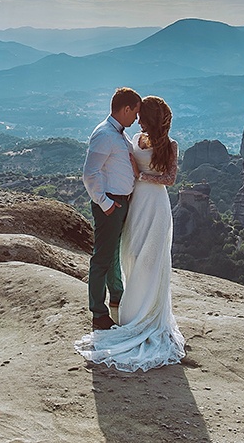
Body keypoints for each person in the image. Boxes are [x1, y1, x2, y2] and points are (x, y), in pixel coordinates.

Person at [75, 95, 186, 372]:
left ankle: (145, 313)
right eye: (136, 114)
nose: (137, 120)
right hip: (134, 204)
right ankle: (128, 309)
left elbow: (170, 179)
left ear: (150, 118)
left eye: (141, 116)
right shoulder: (133, 138)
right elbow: (100, 170)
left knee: (150, 259)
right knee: (131, 254)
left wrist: (140, 174)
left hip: (155, 205)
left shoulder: (169, 145)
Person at [81, 87, 141, 331]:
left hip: (120, 202)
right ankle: (98, 313)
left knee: (113, 253)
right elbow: (89, 173)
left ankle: (117, 295)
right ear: (126, 109)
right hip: (110, 204)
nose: (136, 118)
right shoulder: (105, 134)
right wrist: (105, 204)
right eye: (135, 113)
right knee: (102, 258)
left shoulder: (119, 134)